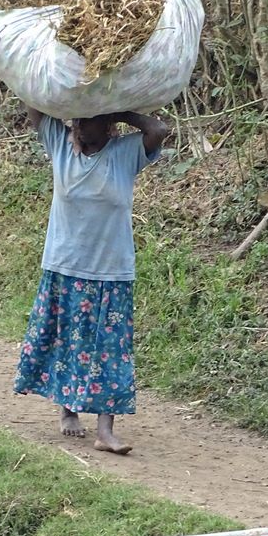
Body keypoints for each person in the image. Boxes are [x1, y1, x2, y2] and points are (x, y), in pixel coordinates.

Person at [13, 107, 169, 455]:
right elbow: (34, 107)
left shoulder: (125, 154)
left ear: (108, 124)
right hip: (64, 266)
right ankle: (68, 410)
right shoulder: (60, 146)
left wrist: (122, 110)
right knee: (67, 342)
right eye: (77, 120)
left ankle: (105, 431)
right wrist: (71, 100)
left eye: (89, 119)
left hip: (111, 272)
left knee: (110, 351)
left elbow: (159, 130)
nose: (80, 126)